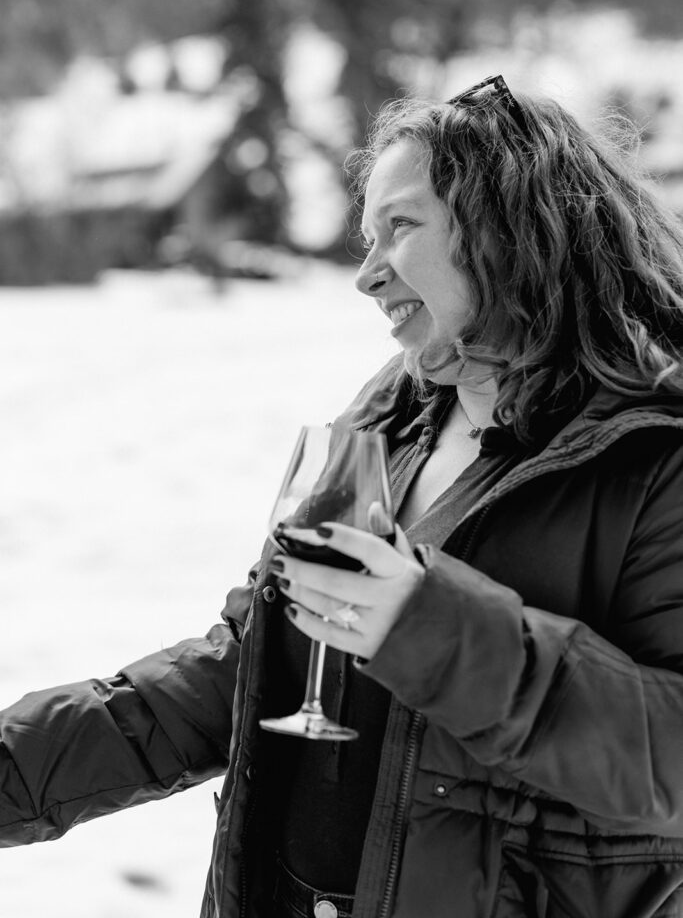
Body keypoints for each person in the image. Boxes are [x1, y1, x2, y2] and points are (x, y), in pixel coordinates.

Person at [2, 74, 683, 918]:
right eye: (366, 237)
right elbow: (246, 671)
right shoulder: (385, 419)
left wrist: (429, 624)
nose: (366, 276)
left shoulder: (656, 454)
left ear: (515, 228)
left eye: (399, 227)